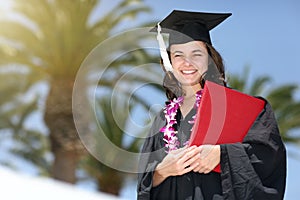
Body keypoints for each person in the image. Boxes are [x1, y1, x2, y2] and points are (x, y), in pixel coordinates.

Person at [137, 10, 286, 200]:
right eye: (178, 55)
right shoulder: (162, 120)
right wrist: (162, 171)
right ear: (169, 63)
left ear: (209, 59)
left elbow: (269, 156)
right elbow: (143, 184)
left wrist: (221, 154)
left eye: (196, 53)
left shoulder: (236, 108)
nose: (187, 62)